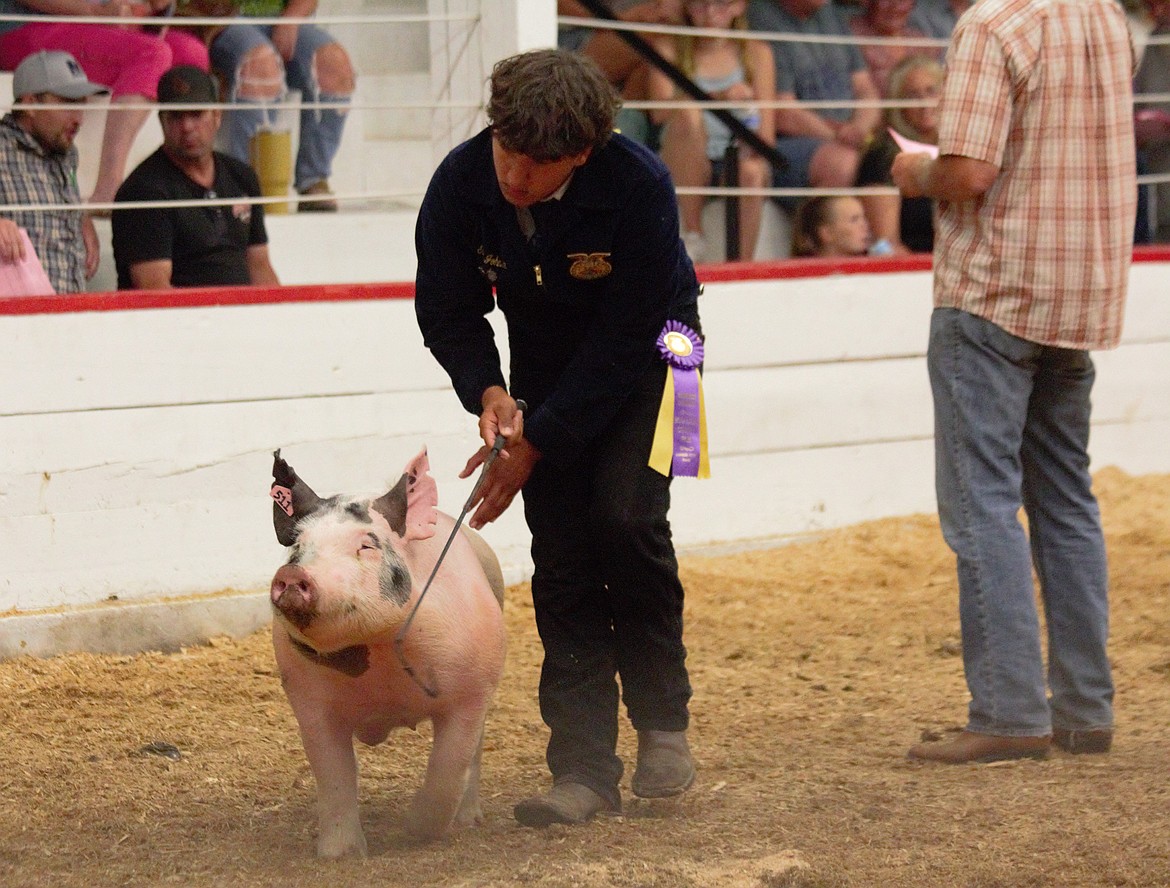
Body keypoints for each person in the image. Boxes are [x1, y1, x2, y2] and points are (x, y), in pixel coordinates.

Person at [415, 48, 702, 827]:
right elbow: (447, 308)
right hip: (543, 369)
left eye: (539, 165)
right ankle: (581, 768)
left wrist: (535, 442)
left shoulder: (639, 185)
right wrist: (490, 391)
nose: (514, 178)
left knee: (629, 520)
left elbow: (627, 336)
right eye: (507, 152)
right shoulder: (461, 181)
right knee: (564, 553)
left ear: (584, 151)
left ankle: (663, 725)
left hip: (665, 357)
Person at [891, 0, 1136, 763]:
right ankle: (1084, 707)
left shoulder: (993, 25)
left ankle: (1007, 711)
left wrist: (911, 171)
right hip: (1078, 289)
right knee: (1066, 500)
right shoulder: (1105, 17)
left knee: (982, 507)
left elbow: (969, 172)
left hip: (995, 292)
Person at [0, 0, 211, 206]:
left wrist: (152, 8)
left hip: (100, 23)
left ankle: (180, 180)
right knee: (151, 54)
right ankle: (108, 189)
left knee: (192, 54)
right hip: (30, 25)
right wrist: (95, 11)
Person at [111, 65, 279, 289]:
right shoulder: (143, 190)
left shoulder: (242, 176)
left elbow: (260, 266)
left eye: (196, 114)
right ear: (162, 122)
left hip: (241, 317)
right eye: (176, 117)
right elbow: (153, 288)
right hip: (179, 321)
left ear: (217, 116)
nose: (187, 126)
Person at [646, 0, 775, 263]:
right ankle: (694, 235)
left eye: (721, 5)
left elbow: (767, 135)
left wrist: (747, 106)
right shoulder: (668, 46)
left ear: (738, 7)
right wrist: (720, 97)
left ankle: (742, 267)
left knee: (751, 171)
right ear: (688, 8)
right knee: (687, 113)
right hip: (684, 154)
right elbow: (658, 112)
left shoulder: (756, 53)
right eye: (700, 5)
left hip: (735, 153)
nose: (711, 14)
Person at [207, 0, 355, 212]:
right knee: (259, 62)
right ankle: (239, 184)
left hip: (283, 18)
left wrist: (291, 19)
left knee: (334, 64)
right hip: (224, 18)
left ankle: (313, 179)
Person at [746, 0, 881, 194]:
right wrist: (838, 136)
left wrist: (859, 129)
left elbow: (864, 87)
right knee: (842, 163)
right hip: (794, 141)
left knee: (889, 159)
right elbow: (783, 112)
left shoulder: (830, 12)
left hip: (848, 134)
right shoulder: (762, 17)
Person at [0, 50, 107, 293]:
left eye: (82, 105)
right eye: (68, 103)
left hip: (67, 315)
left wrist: (81, 216)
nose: (79, 118)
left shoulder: (66, 153)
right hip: (15, 319)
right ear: (30, 104)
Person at [558, 0, 684, 146]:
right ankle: (624, 146)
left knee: (645, 66)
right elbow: (560, 5)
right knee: (651, 43)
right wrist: (624, 18)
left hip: (642, 40)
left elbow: (667, 13)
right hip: (578, 37)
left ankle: (623, 143)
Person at [855, 54, 943, 253]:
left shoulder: (956, 147)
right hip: (913, 270)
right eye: (912, 96)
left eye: (931, 91)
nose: (924, 103)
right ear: (898, 105)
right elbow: (884, 246)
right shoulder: (883, 154)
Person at [848, 0, 941, 98]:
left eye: (902, 0)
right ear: (867, 2)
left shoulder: (923, 45)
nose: (895, 6)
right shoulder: (847, 38)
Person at [1134, 0, 1170, 242]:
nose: (1155, 11)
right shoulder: (1154, 40)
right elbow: (1142, 101)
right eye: (1150, 5)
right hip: (1159, 165)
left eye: (1161, 4)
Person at [790, 194, 871, 257]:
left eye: (863, 218)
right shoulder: (805, 276)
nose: (865, 226)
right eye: (854, 220)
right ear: (827, 233)